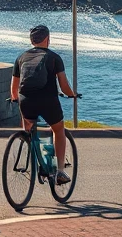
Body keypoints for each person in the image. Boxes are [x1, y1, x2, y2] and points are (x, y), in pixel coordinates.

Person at [11, 24, 79, 186]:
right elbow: (63, 85)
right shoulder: (54, 57)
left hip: (26, 101)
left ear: (31, 40)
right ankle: (60, 170)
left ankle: (32, 147)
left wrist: (14, 99)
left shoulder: (21, 58)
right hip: (48, 101)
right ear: (47, 39)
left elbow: (14, 88)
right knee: (58, 129)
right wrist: (72, 95)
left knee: (29, 125)